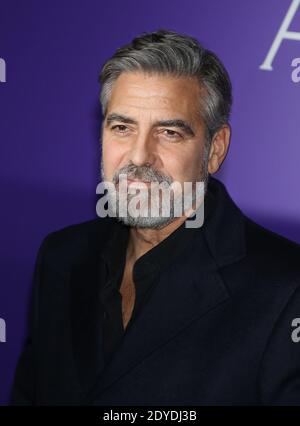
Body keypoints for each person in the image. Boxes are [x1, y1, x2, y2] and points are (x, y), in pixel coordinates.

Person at [11, 29, 300, 406]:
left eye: (168, 132)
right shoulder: (61, 257)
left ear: (215, 148)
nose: (139, 157)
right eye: (122, 127)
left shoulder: (286, 290)